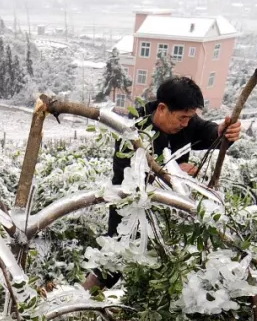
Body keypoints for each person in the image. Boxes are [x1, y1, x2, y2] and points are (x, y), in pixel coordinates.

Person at [84, 76, 242, 290]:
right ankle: (84, 301)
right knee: (114, 261)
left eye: (190, 118)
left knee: (160, 271)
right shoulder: (132, 131)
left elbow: (208, 132)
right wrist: (172, 173)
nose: (186, 123)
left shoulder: (186, 122)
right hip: (131, 212)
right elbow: (128, 178)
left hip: (169, 215)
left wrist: (223, 133)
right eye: (182, 118)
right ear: (161, 109)